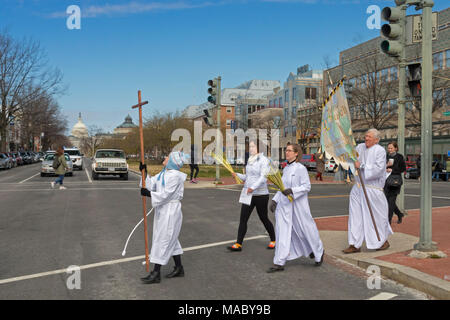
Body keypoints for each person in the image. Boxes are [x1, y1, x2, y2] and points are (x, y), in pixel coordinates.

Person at [267, 143, 324, 273]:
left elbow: (306, 186)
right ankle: (279, 261)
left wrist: (292, 190)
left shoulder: (301, 169)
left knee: (305, 230)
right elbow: (282, 186)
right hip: (285, 206)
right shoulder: (286, 169)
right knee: (282, 231)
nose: (286, 153)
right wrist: (275, 200)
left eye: (289, 151)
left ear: (296, 153)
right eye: (286, 150)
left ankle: (317, 251)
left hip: (298, 206)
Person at [139, 151, 188, 284]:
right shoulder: (164, 173)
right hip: (163, 209)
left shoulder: (175, 176)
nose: (165, 158)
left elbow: (166, 194)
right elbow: (151, 184)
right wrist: (144, 174)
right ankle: (179, 268)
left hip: (171, 210)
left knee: (164, 239)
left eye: (168, 156)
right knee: (171, 238)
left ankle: (156, 273)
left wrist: (149, 194)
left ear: (172, 161)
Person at [343, 129, 393, 254]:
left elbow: (379, 169)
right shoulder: (360, 147)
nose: (366, 138)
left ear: (376, 139)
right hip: (358, 187)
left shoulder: (380, 150)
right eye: (365, 136)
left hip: (372, 189)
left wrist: (363, 166)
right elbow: (351, 157)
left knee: (377, 217)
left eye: (369, 137)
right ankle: (354, 243)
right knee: (355, 216)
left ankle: (382, 240)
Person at [228, 140, 276, 251]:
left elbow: (263, 178)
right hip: (248, 194)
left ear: (259, 148)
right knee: (243, 219)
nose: (250, 149)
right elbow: (248, 177)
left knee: (263, 218)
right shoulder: (250, 160)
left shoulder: (264, 160)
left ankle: (274, 240)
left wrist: (253, 187)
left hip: (261, 195)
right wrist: (238, 175)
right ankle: (238, 244)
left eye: (253, 146)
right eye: (249, 146)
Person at [384, 141, 406, 224]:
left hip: (395, 182)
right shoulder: (385, 156)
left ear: (396, 148)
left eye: (391, 148)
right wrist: (385, 167)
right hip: (386, 181)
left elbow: (403, 168)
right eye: (388, 148)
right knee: (387, 201)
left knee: (391, 201)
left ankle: (388, 221)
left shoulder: (399, 157)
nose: (389, 150)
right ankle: (399, 214)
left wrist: (392, 170)